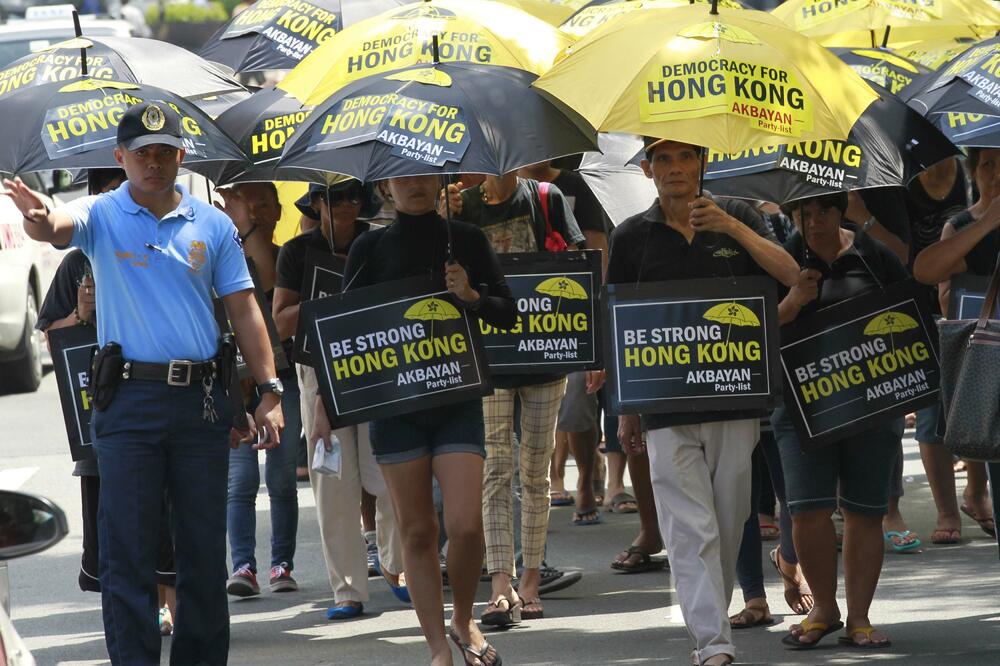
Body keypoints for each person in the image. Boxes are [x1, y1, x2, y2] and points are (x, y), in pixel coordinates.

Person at [5, 102, 283, 666]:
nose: (153, 164)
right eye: (141, 154)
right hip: (128, 403)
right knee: (127, 552)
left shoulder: (213, 225)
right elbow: (59, 226)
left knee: (203, 551)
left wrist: (270, 388)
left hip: (201, 404)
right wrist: (38, 218)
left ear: (182, 156)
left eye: (164, 153)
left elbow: (245, 308)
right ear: (120, 158)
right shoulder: (102, 213)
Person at [609, 137, 799, 666]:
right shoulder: (630, 237)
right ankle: (713, 643)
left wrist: (732, 228)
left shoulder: (736, 215)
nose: (675, 168)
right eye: (663, 159)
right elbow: (621, 324)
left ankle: (712, 623)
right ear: (648, 170)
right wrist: (626, 408)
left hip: (735, 400)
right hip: (664, 406)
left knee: (729, 519)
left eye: (686, 157)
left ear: (703, 163)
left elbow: (789, 274)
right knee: (689, 529)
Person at [344, 175, 516, 666]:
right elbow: (341, 326)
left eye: (423, 174)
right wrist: (323, 405)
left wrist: (471, 296)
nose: (415, 185)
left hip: (457, 400)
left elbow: (509, 313)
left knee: (464, 525)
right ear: (385, 188)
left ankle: (463, 618)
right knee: (417, 531)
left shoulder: (466, 240)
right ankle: (438, 647)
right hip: (396, 410)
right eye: (402, 177)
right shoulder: (368, 246)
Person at [36, 168, 180, 635]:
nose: (106, 199)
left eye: (113, 188)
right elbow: (51, 338)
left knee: (166, 511)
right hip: (98, 415)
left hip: (157, 402)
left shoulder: (161, 247)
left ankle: (171, 605)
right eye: (97, 191)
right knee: (111, 521)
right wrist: (81, 312)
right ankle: (126, 615)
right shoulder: (76, 264)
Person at [775, 191, 908, 650]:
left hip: (871, 404)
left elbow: (909, 318)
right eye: (803, 213)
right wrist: (793, 300)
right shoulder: (781, 258)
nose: (813, 222)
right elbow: (753, 332)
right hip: (800, 405)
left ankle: (859, 617)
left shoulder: (875, 256)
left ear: (840, 211)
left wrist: (907, 387)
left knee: (864, 511)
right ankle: (823, 610)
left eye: (822, 212)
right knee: (808, 509)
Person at [451, 171, 584, 624]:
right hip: (488, 355)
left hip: (546, 352)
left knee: (535, 470)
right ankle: (501, 582)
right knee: (495, 469)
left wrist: (593, 346)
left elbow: (580, 268)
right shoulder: (461, 206)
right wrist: (442, 220)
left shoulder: (547, 198)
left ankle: (531, 577)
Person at [272, 180, 406, 619]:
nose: (343, 204)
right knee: (333, 484)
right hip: (318, 371)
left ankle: (394, 564)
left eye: (351, 196)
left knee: (390, 474)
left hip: (377, 364)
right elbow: (282, 322)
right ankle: (348, 590)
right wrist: (334, 306)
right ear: (315, 204)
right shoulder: (296, 252)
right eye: (332, 197)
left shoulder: (380, 242)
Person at [221, 181, 303, 597]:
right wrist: (233, 228)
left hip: (280, 378)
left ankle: (281, 564)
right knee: (239, 482)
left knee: (283, 477)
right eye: (244, 203)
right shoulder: (219, 246)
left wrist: (246, 228)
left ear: (274, 210)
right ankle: (243, 566)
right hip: (234, 379)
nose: (252, 210)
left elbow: (267, 284)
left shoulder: (281, 253)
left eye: (260, 205)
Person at [914, 148, 1000, 540]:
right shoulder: (961, 225)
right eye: (988, 164)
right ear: (974, 172)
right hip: (984, 363)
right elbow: (935, 282)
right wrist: (988, 223)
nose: (996, 174)